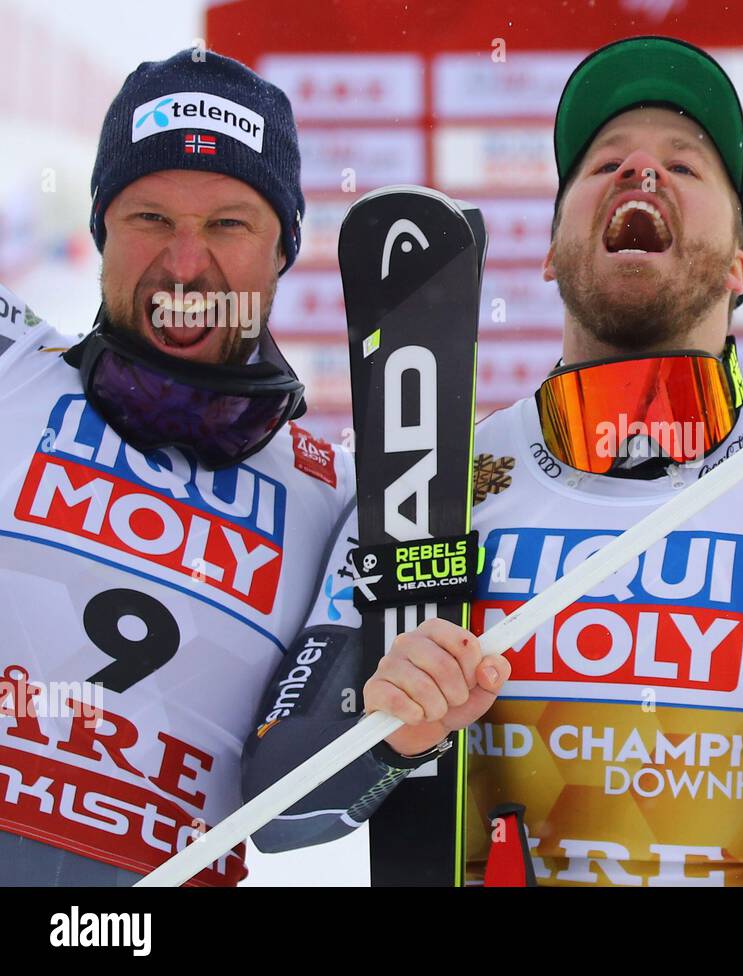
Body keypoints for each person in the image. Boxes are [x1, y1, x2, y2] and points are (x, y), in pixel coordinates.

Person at [245, 35, 743, 886]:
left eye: (685, 168)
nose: (640, 172)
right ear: (549, 255)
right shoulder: (427, 480)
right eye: (603, 163)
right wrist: (384, 729)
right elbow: (275, 807)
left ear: (742, 264)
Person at [0, 49, 508, 887]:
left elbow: (287, 811)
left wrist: (392, 729)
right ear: (99, 233)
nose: (186, 264)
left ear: (283, 253)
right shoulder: (15, 368)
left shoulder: (339, 497)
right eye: (149, 219)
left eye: (229, 224)